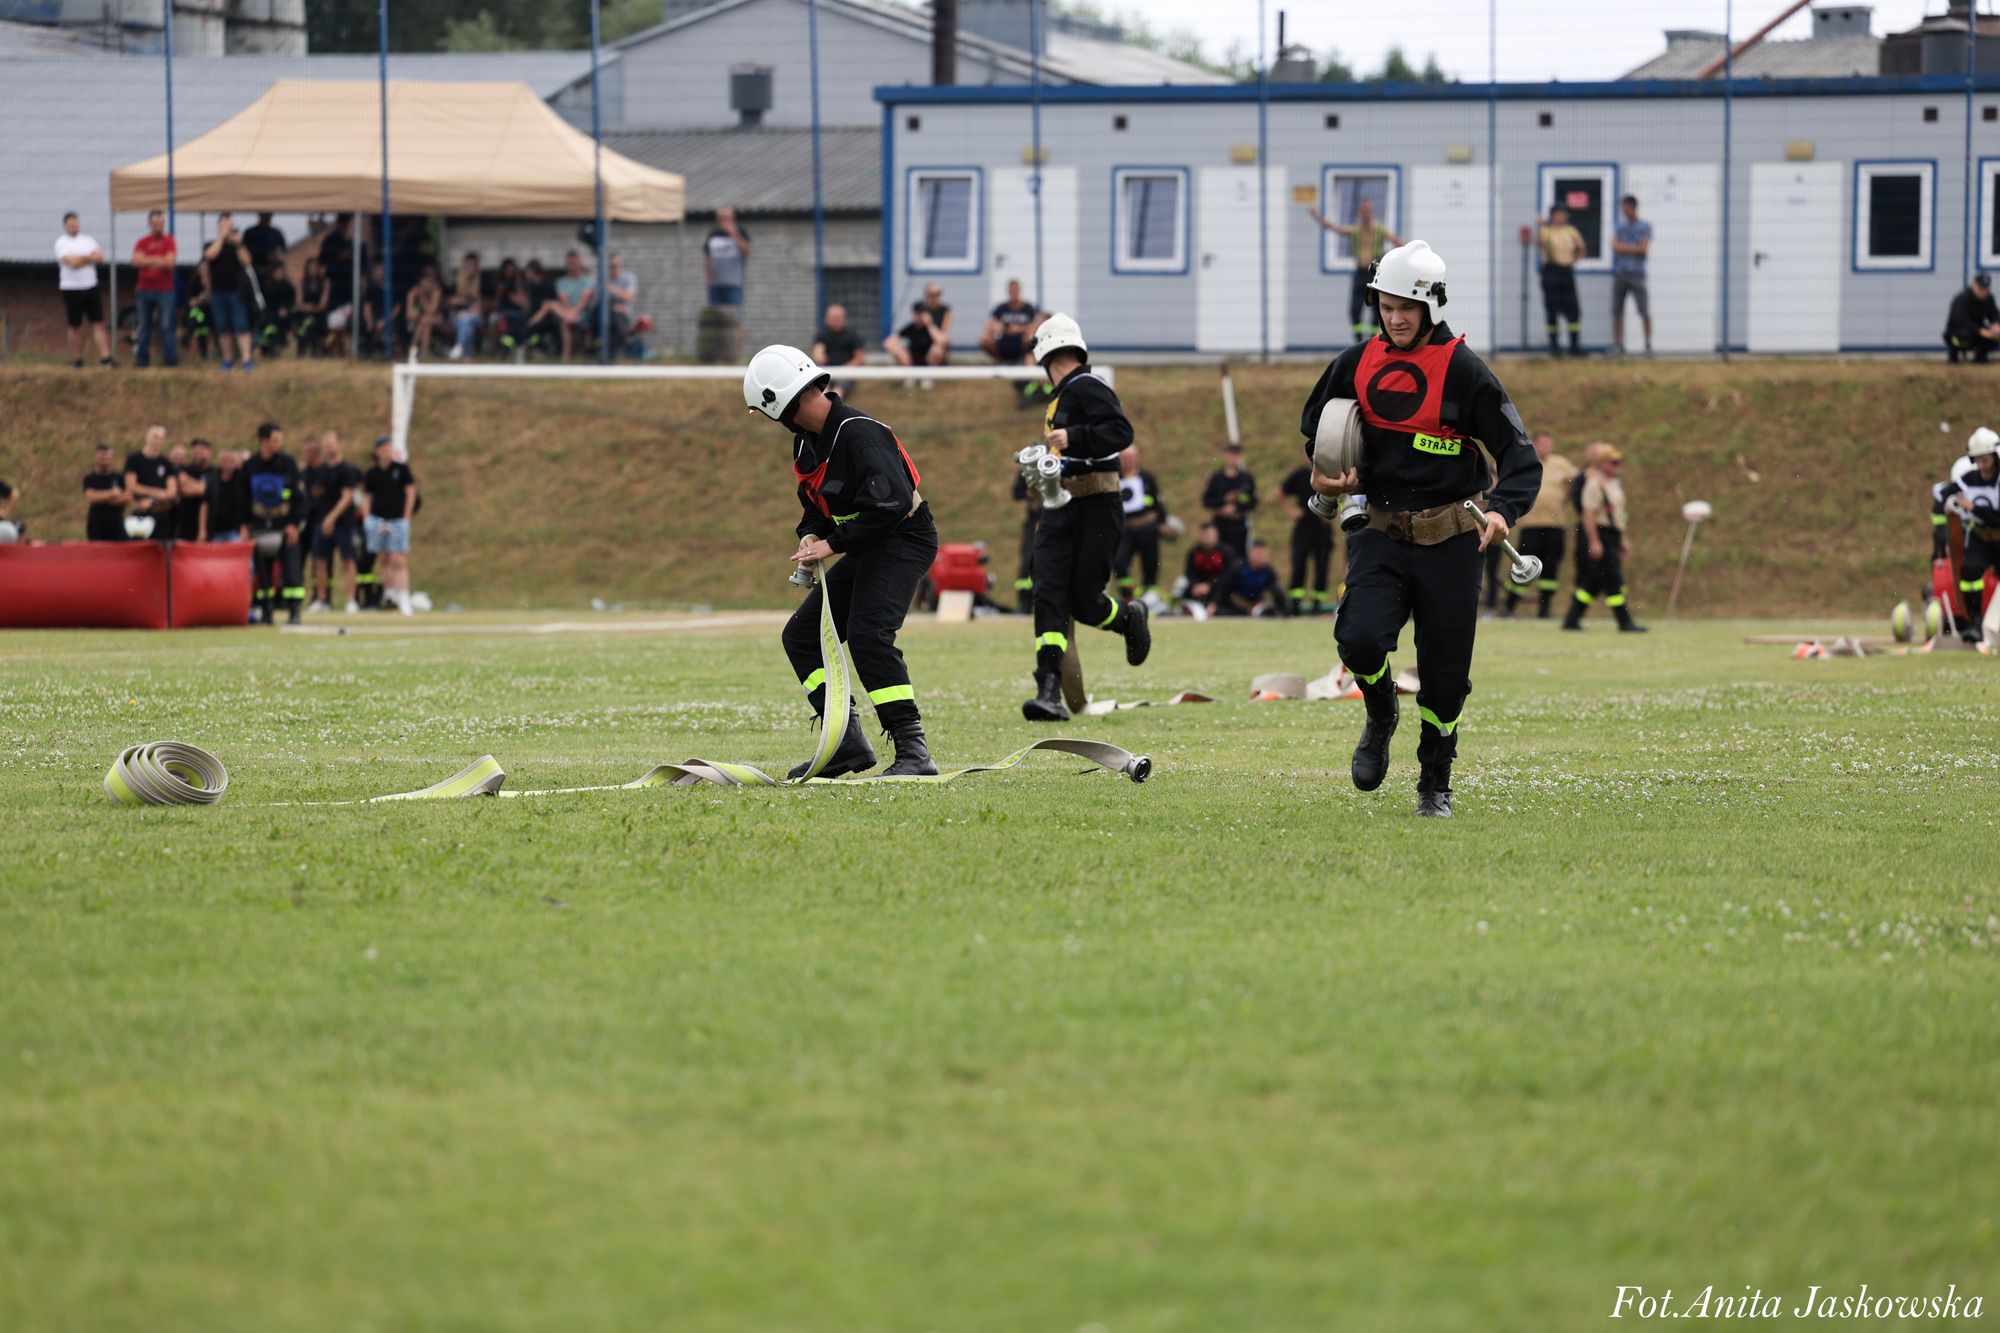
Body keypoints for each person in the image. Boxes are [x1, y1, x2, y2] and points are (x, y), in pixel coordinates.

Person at [1300, 239, 1542, 819]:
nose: (1395, 318)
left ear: (1431, 305)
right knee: (1359, 640)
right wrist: (1324, 473)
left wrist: (1503, 510)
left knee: (1445, 675)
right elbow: (1318, 434)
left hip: (1454, 540)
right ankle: (1380, 710)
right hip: (1379, 532)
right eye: (1385, 306)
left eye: (1406, 307)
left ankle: (1435, 780)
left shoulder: (1465, 371)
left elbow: (1519, 455)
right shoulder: (1354, 363)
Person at [743, 344, 938, 777]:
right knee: (801, 637)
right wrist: (811, 533)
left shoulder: (860, 433)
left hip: (903, 538)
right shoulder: (805, 443)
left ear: (779, 404)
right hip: (866, 542)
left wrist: (833, 545)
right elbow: (815, 505)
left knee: (869, 636)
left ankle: (914, 751)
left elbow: (892, 505)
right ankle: (846, 741)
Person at [1019, 314, 1151, 721]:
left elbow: (1120, 433)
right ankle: (1048, 689)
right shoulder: (1061, 396)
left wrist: (1074, 438)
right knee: (1048, 593)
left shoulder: (1086, 386)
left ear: (1044, 353)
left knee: (1084, 602)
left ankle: (1129, 618)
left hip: (1096, 505)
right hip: (1060, 506)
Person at [1563, 446, 1646, 633]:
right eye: (1613, 462)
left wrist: (1623, 539)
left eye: (1619, 462)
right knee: (1613, 578)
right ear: (1602, 464)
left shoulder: (1614, 483)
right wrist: (1594, 541)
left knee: (1593, 582)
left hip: (1613, 534)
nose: (1617, 466)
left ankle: (1571, 619)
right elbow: (1588, 514)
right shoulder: (1594, 484)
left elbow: (1618, 514)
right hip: (1600, 533)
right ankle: (1625, 622)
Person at [1503, 432, 1578, 619]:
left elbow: (1578, 481)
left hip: (1555, 525)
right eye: (1543, 444)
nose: (1547, 448)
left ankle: (1544, 610)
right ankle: (1509, 606)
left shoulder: (1560, 463)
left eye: (1549, 444)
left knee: (1551, 567)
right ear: (1535, 444)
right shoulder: (1527, 461)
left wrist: (1567, 497)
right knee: (1522, 565)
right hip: (1531, 525)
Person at [1308, 196, 1403, 341]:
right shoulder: (1355, 231)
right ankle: (1358, 339)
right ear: (1359, 213)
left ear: (1372, 212)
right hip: (1360, 273)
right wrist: (1316, 216)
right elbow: (1335, 228)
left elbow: (1398, 243)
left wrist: (1388, 259)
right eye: (1363, 211)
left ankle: (1373, 339)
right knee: (1355, 308)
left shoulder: (1380, 230)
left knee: (1377, 308)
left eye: (1368, 210)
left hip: (1375, 274)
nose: (1366, 214)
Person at [1938, 426, 2000, 641]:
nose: (1981, 465)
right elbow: (1945, 494)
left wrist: (1974, 508)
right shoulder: (1969, 479)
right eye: (1977, 460)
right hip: (1980, 537)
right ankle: (1974, 622)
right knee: (1969, 571)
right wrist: (1949, 502)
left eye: (1985, 460)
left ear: (1995, 457)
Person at [241, 422, 305, 624]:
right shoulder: (250, 466)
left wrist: (293, 524)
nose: (279, 443)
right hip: (259, 528)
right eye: (275, 439)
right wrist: (245, 525)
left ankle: (294, 613)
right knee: (264, 577)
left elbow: (298, 498)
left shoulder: (288, 464)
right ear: (263, 440)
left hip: (284, 528)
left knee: (291, 573)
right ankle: (267, 613)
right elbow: (242, 498)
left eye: (280, 439)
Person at [360, 436, 417, 616]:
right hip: (378, 520)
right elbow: (366, 497)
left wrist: (406, 517)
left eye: (389, 448)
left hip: (397, 520)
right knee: (383, 558)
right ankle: (389, 593)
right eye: (384, 448)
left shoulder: (401, 469)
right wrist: (367, 518)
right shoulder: (372, 473)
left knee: (398, 558)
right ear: (377, 451)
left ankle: (404, 597)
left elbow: (411, 492)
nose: (387, 451)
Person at [307, 431, 362, 613]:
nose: (328, 448)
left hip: (343, 522)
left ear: (339, 445)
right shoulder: (321, 470)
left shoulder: (346, 469)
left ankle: (351, 600)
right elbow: (317, 493)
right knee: (320, 560)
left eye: (331, 444)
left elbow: (347, 497)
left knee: (348, 559)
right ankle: (322, 599)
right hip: (322, 522)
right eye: (326, 444)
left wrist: (331, 518)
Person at [55, 212, 114, 370]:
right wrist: (88, 258)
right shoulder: (61, 243)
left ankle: (106, 359)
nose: (74, 227)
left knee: (98, 323)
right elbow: (72, 263)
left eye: (76, 224)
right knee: (75, 325)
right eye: (71, 225)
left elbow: (100, 257)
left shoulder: (88, 240)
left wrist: (82, 259)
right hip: (71, 289)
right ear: (65, 226)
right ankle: (77, 360)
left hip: (91, 287)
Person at [1112, 445, 1168, 603]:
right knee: (1119, 562)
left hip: (1147, 528)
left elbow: (1158, 501)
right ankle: (1127, 596)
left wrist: (1162, 522)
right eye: (1124, 458)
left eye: (1131, 458)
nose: (1128, 461)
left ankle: (1149, 597)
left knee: (1150, 563)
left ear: (1138, 459)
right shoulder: (1115, 478)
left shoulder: (1147, 477)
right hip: (1124, 529)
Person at [1279, 460, 1335, 615]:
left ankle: (1317, 604)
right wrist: (1291, 511)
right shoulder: (1301, 475)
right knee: (1299, 566)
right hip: (1303, 528)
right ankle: (1295, 604)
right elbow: (1281, 492)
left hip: (1322, 529)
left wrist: (1332, 513)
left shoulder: (1329, 473)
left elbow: (1341, 494)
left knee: (1322, 567)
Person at [203, 214, 255, 372]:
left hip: (236, 293)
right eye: (224, 225)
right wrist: (221, 238)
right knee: (222, 328)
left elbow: (247, 261)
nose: (227, 228)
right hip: (218, 293)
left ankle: (246, 360)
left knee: (242, 326)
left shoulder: (238, 245)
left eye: (229, 225)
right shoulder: (211, 244)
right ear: (218, 227)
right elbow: (209, 256)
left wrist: (238, 244)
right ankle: (228, 360)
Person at [131, 210, 179, 370]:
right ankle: (142, 360)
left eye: (161, 222)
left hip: (165, 291)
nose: (159, 225)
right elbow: (136, 261)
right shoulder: (142, 241)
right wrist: (159, 260)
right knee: (144, 326)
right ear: (149, 223)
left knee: (166, 326)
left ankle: (170, 360)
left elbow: (170, 263)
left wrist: (147, 260)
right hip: (144, 291)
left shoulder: (169, 241)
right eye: (155, 222)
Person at [1538, 205, 1587, 358]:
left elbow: (1582, 248)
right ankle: (1554, 346)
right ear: (1552, 216)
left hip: (1566, 272)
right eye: (1558, 214)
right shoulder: (1546, 231)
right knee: (1552, 311)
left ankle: (1574, 346)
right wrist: (1541, 225)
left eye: (1563, 214)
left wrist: (1574, 260)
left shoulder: (1571, 231)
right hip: (1551, 272)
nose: (1561, 217)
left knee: (1573, 311)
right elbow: (1539, 242)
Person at [705, 207, 752, 356]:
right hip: (715, 285)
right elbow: (707, 257)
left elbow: (747, 252)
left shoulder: (740, 232)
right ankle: (718, 353)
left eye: (727, 218)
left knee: (737, 319)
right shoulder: (713, 235)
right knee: (716, 319)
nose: (724, 221)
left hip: (733, 284)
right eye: (721, 218)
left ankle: (737, 353)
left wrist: (734, 235)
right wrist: (708, 277)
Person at [1610, 195, 1653, 356]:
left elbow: (1643, 249)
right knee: (1617, 311)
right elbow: (1614, 246)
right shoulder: (1620, 226)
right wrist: (1634, 248)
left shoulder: (1645, 226)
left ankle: (1648, 345)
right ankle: (1617, 344)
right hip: (1620, 273)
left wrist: (1624, 248)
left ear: (1632, 207)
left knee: (1644, 310)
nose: (1623, 210)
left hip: (1637, 274)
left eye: (1625, 207)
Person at [1202, 443, 1258, 558]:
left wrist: (1237, 505)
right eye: (1232, 454)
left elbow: (1252, 500)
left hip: (1238, 525)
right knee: (1219, 556)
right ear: (1226, 456)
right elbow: (1207, 500)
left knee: (1239, 557)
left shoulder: (1246, 478)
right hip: (1220, 524)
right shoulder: (1217, 478)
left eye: (1237, 455)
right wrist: (1224, 500)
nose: (1234, 458)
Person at [124, 424, 177, 542]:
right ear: (147, 437)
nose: (157, 441)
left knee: (161, 550)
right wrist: (158, 492)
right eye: (155, 437)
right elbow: (132, 486)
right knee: (138, 549)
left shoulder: (167, 463)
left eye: (161, 438)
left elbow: (171, 492)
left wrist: (151, 499)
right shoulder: (134, 459)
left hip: (162, 515)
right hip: (140, 515)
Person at [981, 279, 1043, 367]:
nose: (1014, 293)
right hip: (1003, 340)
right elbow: (989, 325)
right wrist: (1000, 328)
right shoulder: (1000, 308)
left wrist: (1019, 329)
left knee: (1030, 336)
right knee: (984, 339)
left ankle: (1024, 359)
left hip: (1021, 342)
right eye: (1011, 291)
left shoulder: (1029, 308)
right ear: (1008, 291)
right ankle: (1000, 360)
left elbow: (1037, 325)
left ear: (1020, 291)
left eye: (1016, 291)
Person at [1179, 522, 1235, 618]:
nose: (1206, 538)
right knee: (1180, 583)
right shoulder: (1194, 552)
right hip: (1199, 588)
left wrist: (1209, 585)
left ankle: (1214, 608)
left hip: (1219, 588)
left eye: (1209, 535)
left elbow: (1228, 577)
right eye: (1204, 535)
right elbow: (1190, 573)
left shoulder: (1227, 552)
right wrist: (1196, 586)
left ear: (1216, 536)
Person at [1944, 273, 2000, 364]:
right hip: (1957, 334)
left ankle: (1980, 357)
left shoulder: (1989, 298)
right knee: (1961, 337)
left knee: (1996, 337)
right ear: (1974, 285)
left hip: (1978, 333)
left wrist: (1996, 325)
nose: (1984, 292)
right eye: (1981, 288)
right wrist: (1980, 331)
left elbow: (1994, 314)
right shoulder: (1961, 299)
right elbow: (1961, 321)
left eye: (1986, 289)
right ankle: (1953, 355)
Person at [552, 251, 594, 361]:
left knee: (566, 320)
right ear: (566, 265)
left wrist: (574, 313)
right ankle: (566, 355)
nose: (573, 265)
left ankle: (570, 355)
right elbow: (564, 300)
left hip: (585, 313)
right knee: (556, 308)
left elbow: (584, 299)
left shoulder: (589, 280)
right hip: (567, 312)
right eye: (570, 263)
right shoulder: (561, 282)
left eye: (575, 262)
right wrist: (570, 314)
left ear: (580, 263)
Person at [82, 444, 129, 541]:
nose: (105, 462)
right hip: (96, 524)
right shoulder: (89, 478)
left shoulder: (119, 477)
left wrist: (102, 499)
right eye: (102, 459)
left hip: (116, 523)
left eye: (108, 459)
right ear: (96, 458)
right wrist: (112, 494)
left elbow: (127, 498)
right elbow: (91, 497)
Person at [175, 439, 216, 543]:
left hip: (208, 525)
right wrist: (204, 489)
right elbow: (182, 490)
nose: (199, 452)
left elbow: (213, 492)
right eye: (196, 449)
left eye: (202, 449)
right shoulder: (185, 470)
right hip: (185, 524)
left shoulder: (215, 472)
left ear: (209, 452)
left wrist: (190, 484)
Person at [205, 449, 248, 543]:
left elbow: (245, 505)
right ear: (220, 462)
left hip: (235, 530)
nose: (228, 465)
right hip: (215, 531)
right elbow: (205, 504)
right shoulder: (213, 479)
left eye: (231, 462)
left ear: (236, 463)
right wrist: (203, 530)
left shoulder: (241, 479)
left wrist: (244, 527)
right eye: (225, 462)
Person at [447, 252, 485, 360]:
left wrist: (464, 303)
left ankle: (459, 346)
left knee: (466, 319)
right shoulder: (454, 281)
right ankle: (466, 355)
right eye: (469, 264)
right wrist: (463, 303)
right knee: (467, 325)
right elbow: (449, 301)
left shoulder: (482, 281)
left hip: (476, 317)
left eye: (474, 265)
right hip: (456, 316)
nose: (471, 268)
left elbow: (480, 306)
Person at [884, 302, 941, 373]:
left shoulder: (932, 327)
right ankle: (909, 375)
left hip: (930, 360)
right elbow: (889, 342)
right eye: (918, 313)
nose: (921, 316)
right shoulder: (911, 328)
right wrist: (901, 353)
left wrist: (929, 325)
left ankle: (930, 375)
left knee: (937, 349)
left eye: (923, 313)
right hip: (913, 360)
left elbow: (942, 342)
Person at [256, 261, 296, 359]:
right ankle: (268, 346)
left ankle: (278, 345)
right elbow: (264, 303)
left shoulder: (288, 286)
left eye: (282, 270)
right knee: (271, 323)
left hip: (284, 315)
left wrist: (285, 308)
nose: (281, 273)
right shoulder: (266, 286)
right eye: (278, 271)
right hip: (269, 314)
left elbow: (291, 301)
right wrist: (277, 310)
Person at [601, 253, 639, 358]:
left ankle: (612, 354)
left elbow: (628, 296)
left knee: (616, 315)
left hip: (623, 315)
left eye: (616, 265)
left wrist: (611, 289)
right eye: (611, 266)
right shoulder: (605, 279)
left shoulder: (628, 278)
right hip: (608, 314)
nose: (614, 269)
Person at [811, 303, 866, 370]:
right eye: (834, 317)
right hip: (828, 371)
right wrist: (820, 358)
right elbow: (818, 354)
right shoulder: (821, 336)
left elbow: (859, 357)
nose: (836, 320)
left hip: (849, 372)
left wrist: (845, 369)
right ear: (826, 319)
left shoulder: (853, 335)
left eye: (838, 317)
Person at [294, 256, 330, 356]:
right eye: (311, 269)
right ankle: (307, 349)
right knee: (306, 321)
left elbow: (323, 304)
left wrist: (314, 308)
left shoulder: (325, 282)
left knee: (312, 322)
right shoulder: (302, 283)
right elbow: (299, 303)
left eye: (315, 268)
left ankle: (313, 349)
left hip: (319, 313)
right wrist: (306, 307)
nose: (313, 271)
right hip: (304, 314)